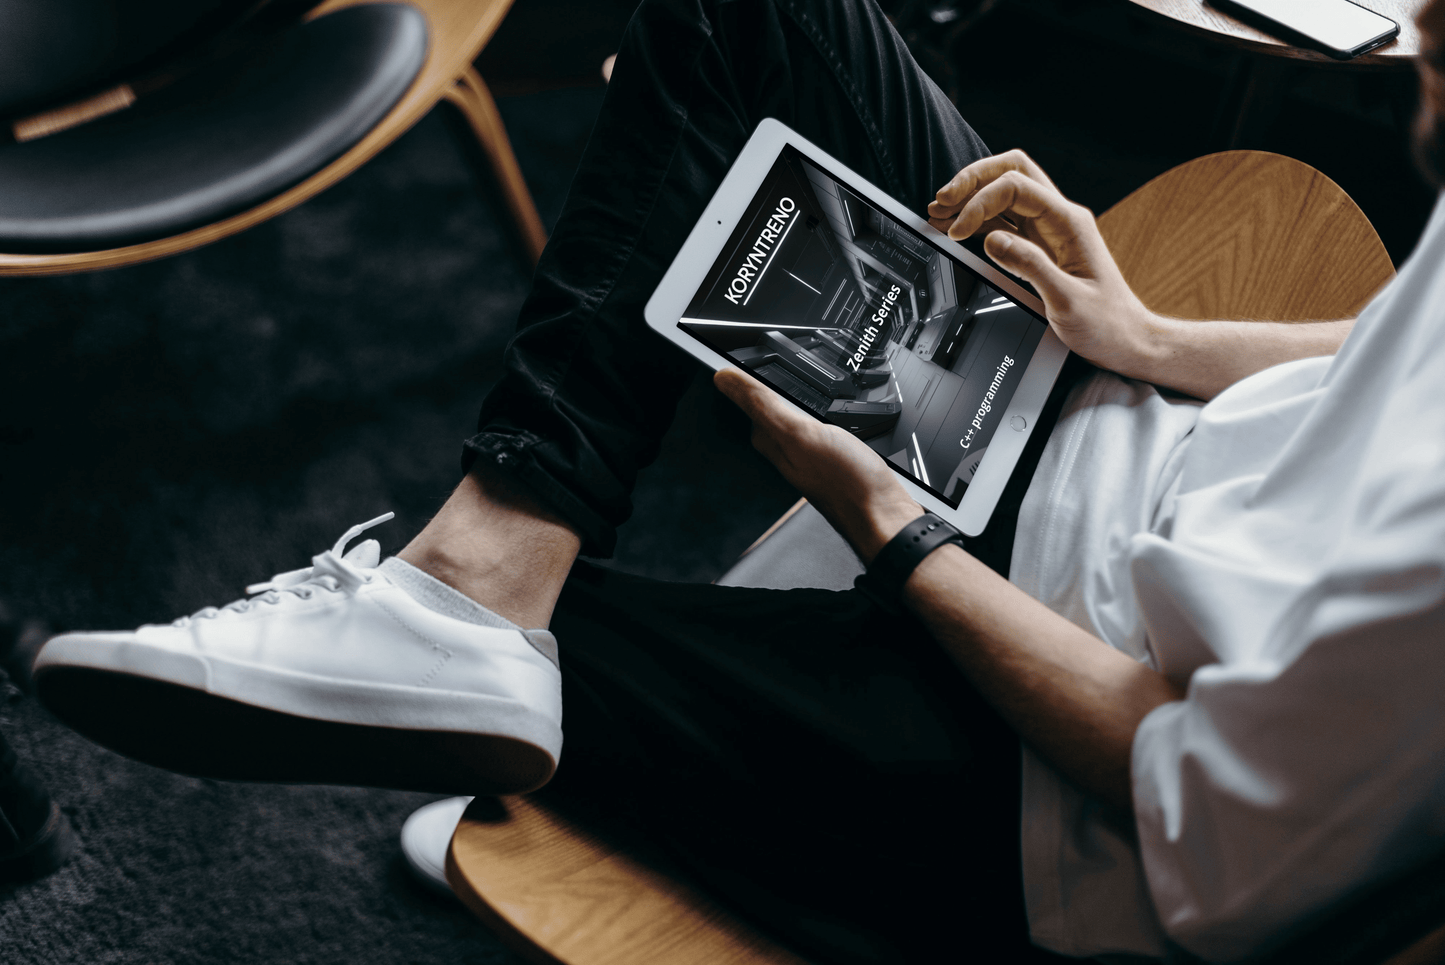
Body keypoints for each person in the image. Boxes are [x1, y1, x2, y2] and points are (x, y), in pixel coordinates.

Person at [28, 0, 1445, 960]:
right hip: (1134, 466)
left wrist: (893, 537)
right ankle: (482, 586)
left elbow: (1214, 843)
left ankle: (490, 631)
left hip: (1044, 810)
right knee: (743, 16)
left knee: (508, 660)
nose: (1423, 19)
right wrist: (1148, 340)